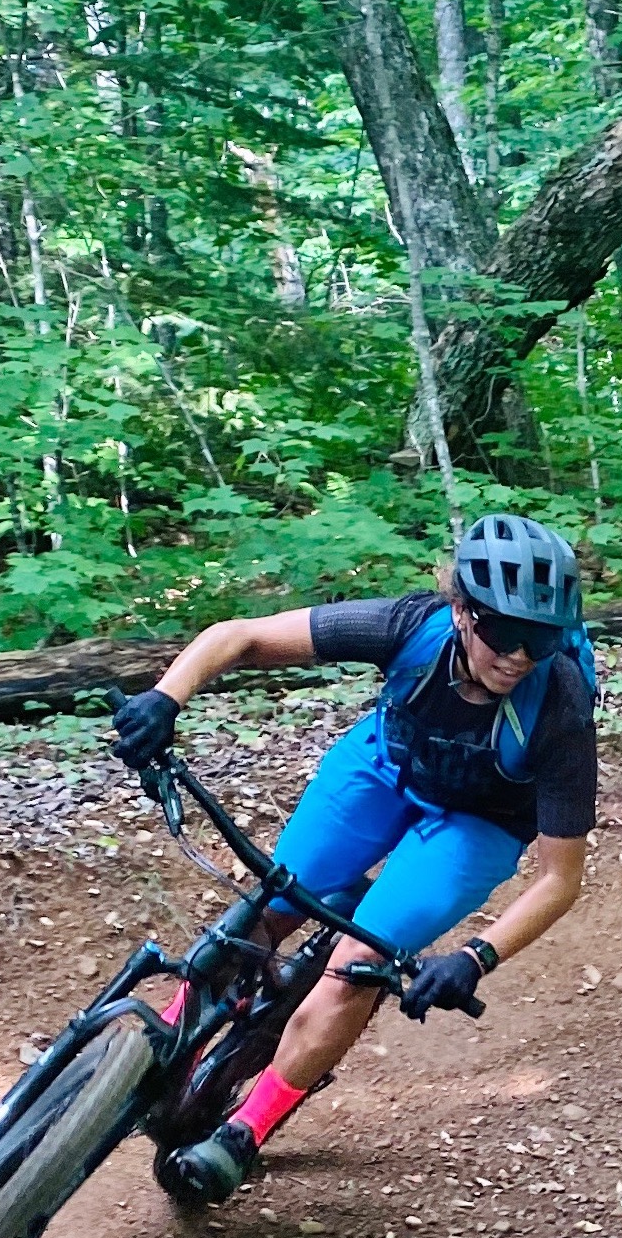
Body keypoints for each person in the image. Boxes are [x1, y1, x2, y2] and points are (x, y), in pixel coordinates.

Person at [108, 513, 595, 1203]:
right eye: (503, 633)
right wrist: (165, 698)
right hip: (386, 766)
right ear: (460, 610)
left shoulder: (560, 708)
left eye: (539, 640)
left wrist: (474, 956)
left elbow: (558, 878)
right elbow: (238, 637)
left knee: (356, 969)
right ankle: (169, 1033)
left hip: (480, 822)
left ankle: (247, 1129)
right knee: (273, 902)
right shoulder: (409, 627)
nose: (518, 656)